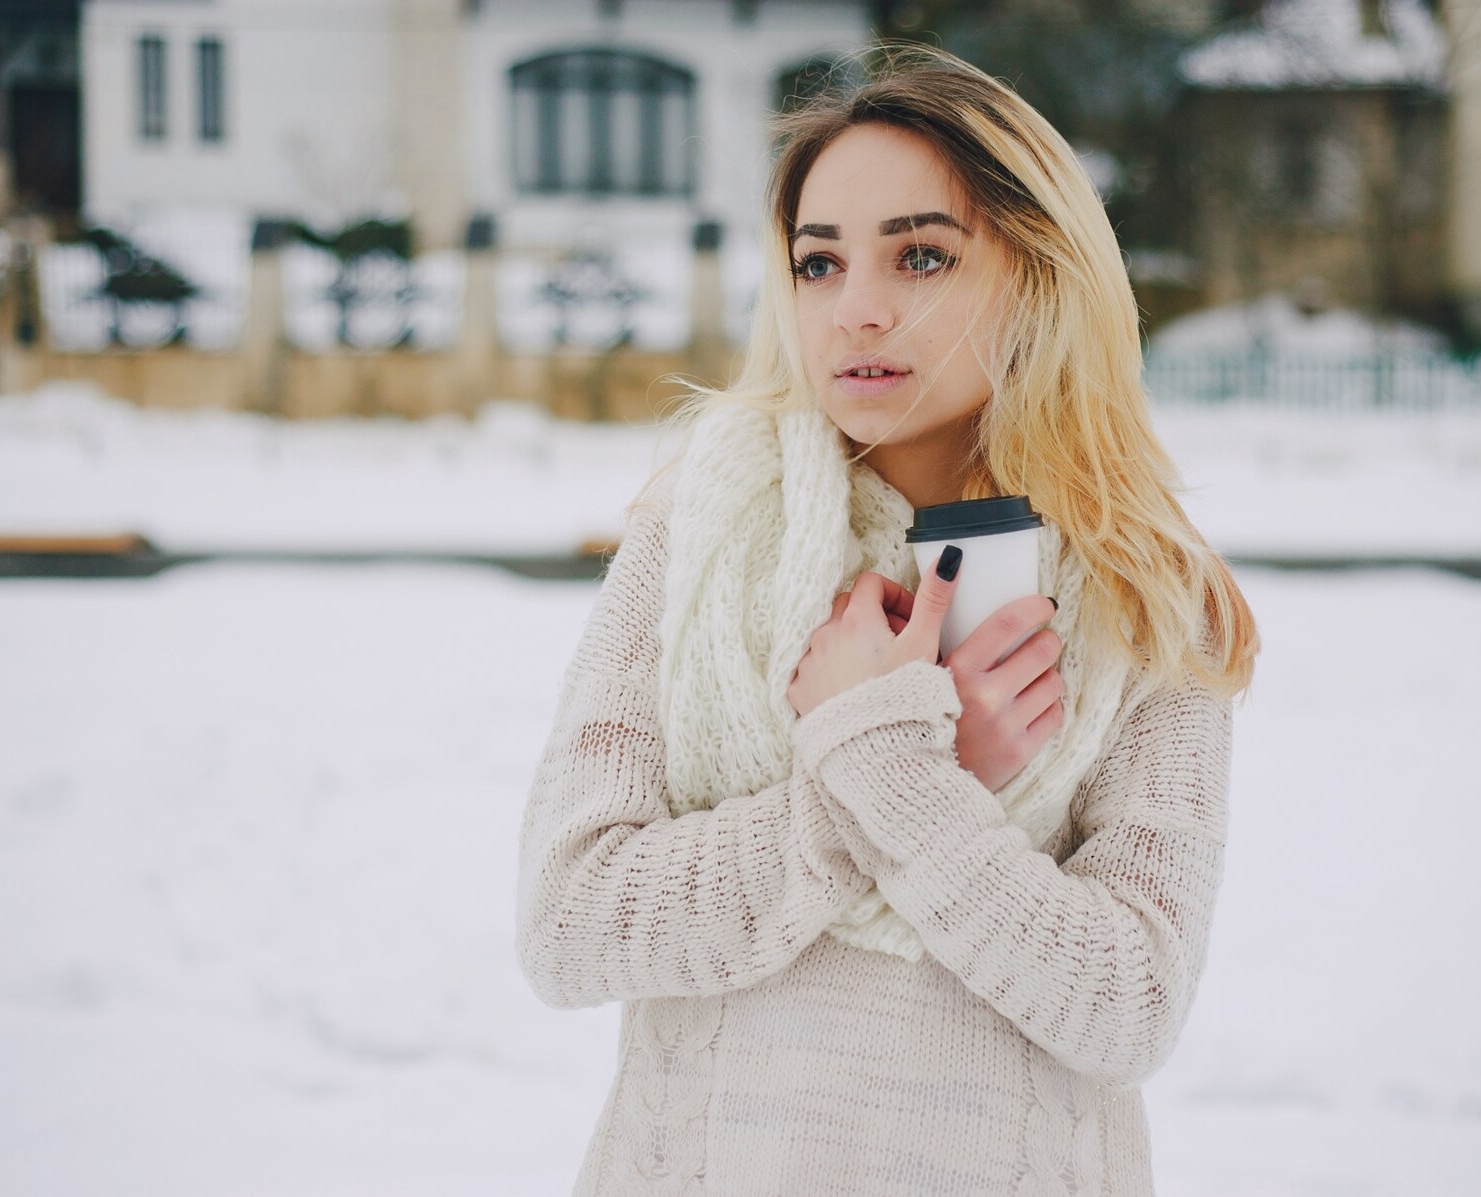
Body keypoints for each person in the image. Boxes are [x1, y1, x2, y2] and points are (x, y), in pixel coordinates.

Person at [516, 42, 1259, 1196]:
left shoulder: (1148, 596)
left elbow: (1130, 1005)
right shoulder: (699, 540)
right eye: (820, 264)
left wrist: (896, 771)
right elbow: (570, 927)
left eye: (920, 256)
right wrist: (883, 773)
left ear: (1039, 272)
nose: (856, 311)